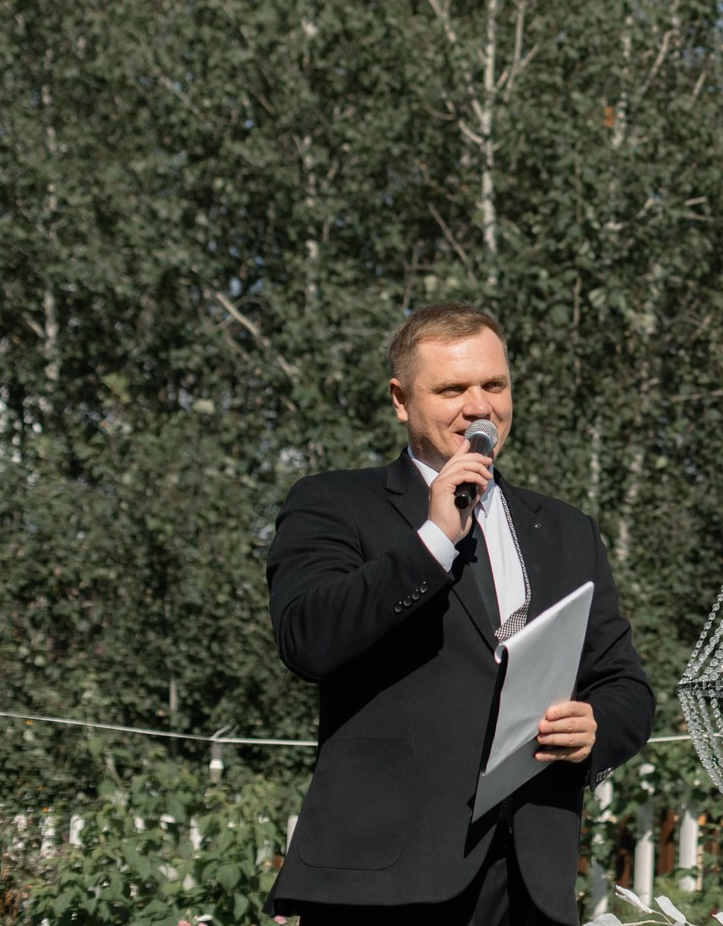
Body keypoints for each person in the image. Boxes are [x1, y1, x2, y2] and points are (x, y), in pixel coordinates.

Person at [267, 304, 653, 924]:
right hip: (386, 881)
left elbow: (625, 684)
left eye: (493, 385)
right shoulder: (334, 502)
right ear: (401, 399)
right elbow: (308, 639)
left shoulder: (563, 529)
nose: (479, 407)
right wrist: (433, 540)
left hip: (530, 877)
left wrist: (595, 727)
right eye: (452, 389)